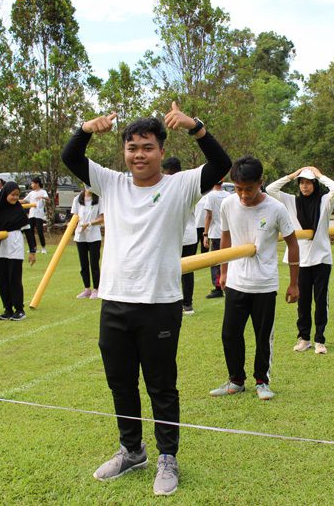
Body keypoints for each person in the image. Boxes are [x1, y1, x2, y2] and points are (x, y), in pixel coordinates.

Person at [61, 102, 231, 496]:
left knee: (161, 384)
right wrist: (86, 128)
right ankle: (131, 450)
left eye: (148, 147)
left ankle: (167, 457)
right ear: (124, 151)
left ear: (160, 150)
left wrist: (196, 126)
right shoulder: (112, 184)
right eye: (132, 147)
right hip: (115, 301)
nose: (139, 155)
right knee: (120, 382)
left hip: (160, 303)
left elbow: (220, 164)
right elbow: (71, 156)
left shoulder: (180, 185)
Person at [209, 156, 299, 400]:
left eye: (249, 189)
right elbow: (226, 237)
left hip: (264, 284)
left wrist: (294, 283)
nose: (243, 195)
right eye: (238, 189)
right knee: (230, 334)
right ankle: (236, 380)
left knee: (262, 336)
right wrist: (224, 271)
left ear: (261, 182)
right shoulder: (228, 204)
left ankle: (262, 381)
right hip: (236, 282)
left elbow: (293, 244)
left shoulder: (276, 209)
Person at [266, 166, 334, 354]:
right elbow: (270, 189)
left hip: (322, 258)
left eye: (309, 183)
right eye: (302, 183)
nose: (305, 186)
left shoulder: (325, 201)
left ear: (315, 184)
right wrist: (292, 175)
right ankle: (304, 338)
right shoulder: (291, 201)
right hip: (301, 260)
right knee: (303, 301)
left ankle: (320, 340)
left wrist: (319, 175)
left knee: (321, 300)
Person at [0, 181, 37, 321]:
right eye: (13, 194)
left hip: (14, 247)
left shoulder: (19, 211)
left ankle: (19, 310)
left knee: (14, 279)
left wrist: (32, 250)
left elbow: (28, 230)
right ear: (5, 194)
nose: (15, 197)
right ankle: (7, 309)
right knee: (1, 280)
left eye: (17, 195)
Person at [162, 157, 198, 314]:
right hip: (182, 236)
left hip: (183, 237)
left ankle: (186, 304)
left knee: (184, 271)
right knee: (183, 271)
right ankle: (182, 304)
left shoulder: (180, 187)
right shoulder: (186, 185)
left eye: (166, 172)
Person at [71, 186, 104, 300]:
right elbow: (75, 217)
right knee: (83, 264)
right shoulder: (77, 199)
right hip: (81, 236)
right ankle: (87, 289)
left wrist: (89, 224)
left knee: (94, 263)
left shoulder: (99, 199)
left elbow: (102, 219)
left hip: (94, 236)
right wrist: (72, 225)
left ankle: (96, 289)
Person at [202, 179, 228, 299]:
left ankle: (218, 288)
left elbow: (209, 216)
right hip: (227, 233)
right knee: (227, 259)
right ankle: (227, 284)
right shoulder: (228, 195)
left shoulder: (210, 196)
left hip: (216, 233)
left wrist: (205, 234)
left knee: (215, 262)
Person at [24, 177, 49, 254]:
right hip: (31, 214)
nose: (31, 185)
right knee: (30, 231)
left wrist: (42, 197)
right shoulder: (31, 193)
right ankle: (34, 247)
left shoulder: (43, 191)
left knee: (39, 231)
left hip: (39, 215)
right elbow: (24, 200)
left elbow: (48, 199)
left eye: (32, 183)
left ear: (37, 184)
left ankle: (43, 248)